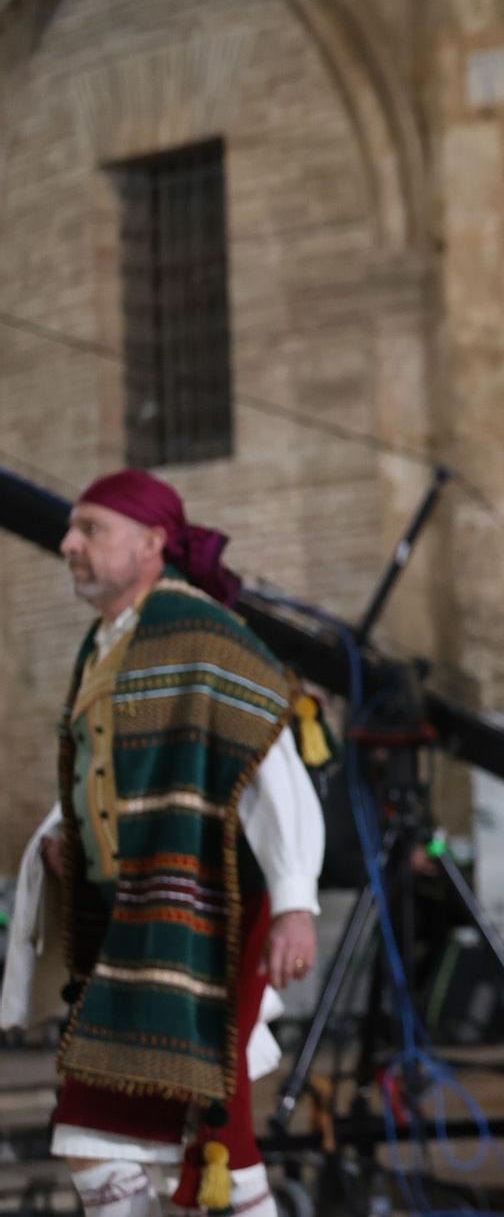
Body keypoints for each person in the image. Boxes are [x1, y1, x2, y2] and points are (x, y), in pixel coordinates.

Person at [25, 470, 324, 1217]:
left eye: (91, 528)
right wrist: (67, 834)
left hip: (208, 913)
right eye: (72, 529)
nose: (69, 544)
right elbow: (107, 770)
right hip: (137, 917)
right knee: (212, 1136)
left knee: (104, 1125)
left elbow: (272, 763)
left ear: (153, 542)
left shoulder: (197, 631)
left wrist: (294, 901)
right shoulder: (108, 639)